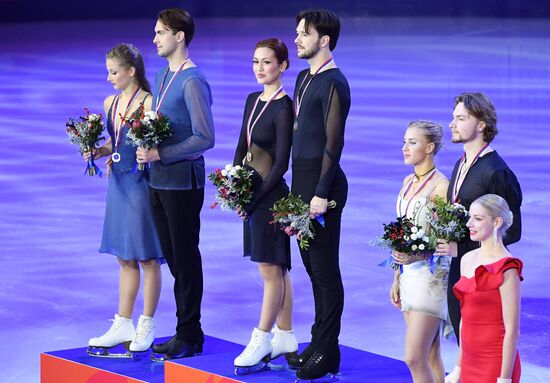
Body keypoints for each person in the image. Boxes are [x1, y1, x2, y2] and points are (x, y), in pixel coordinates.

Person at [136, 8, 215, 360]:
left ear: (179, 36)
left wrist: (160, 154)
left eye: (160, 33)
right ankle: (185, 329)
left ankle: (190, 333)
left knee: (185, 259)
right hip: (159, 181)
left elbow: (204, 137)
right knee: (173, 259)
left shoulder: (192, 80)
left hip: (183, 183)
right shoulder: (161, 73)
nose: (154, 39)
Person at [434, 93, 522, 382]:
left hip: (483, 281)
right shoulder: (461, 165)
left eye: (460, 119)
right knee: (465, 345)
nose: (452, 125)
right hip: (461, 271)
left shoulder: (496, 171)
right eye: (453, 117)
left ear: (481, 125)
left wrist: (462, 246)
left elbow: (513, 230)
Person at [85, 43, 163, 355]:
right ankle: (124, 322)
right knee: (124, 257)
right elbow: (113, 142)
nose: (109, 78)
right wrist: (98, 150)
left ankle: (147, 322)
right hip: (117, 184)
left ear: (131, 72)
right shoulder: (110, 102)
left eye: (114, 72)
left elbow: (156, 142)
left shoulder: (150, 103)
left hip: (141, 185)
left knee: (147, 257)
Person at [288, 9, 351, 380]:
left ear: (323, 40)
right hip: (302, 186)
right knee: (312, 270)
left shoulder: (334, 83)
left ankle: (327, 351)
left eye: (304, 34)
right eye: (297, 32)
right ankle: (318, 340)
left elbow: (333, 141)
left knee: (325, 272)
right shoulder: (301, 77)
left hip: (323, 190)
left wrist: (320, 194)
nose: (297, 39)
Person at [231, 38, 298, 373]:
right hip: (252, 194)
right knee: (276, 268)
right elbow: (241, 145)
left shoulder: (285, 107)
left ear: (283, 65)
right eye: (255, 62)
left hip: (271, 196)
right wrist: (233, 188)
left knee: (271, 270)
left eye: (267, 62)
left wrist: (254, 198)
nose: (260, 68)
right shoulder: (251, 100)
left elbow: (281, 163)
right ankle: (285, 335)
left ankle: (262, 337)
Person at [389, 121, 450, 383]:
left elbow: (447, 241)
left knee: (414, 357)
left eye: (412, 142)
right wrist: (396, 277)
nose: (405, 148)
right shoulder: (407, 181)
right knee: (431, 354)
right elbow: (402, 233)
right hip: (408, 275)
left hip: (430, 277)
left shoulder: (441, 187)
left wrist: (416, 257)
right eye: (404, 141)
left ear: (430, 147)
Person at [453, 194, 522, 383]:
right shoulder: (467, 260)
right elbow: (463, 320)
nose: (469, 224)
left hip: (495, 363)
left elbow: (512, 331)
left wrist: (504, 379)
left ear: (497, 222)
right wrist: (458, 367)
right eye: (470, 217)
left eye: (478, 218)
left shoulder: (508, 268)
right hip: (468, 362)